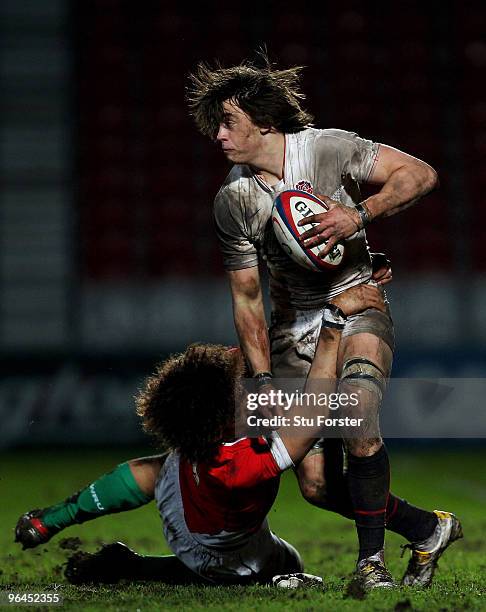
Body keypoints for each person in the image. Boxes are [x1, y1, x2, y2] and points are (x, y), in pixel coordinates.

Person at [187, 55, 461, 587]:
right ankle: (428, 528)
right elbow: (247, 299)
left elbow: (420, 175)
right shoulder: (235, 200)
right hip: (294, 330)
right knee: (313, 484)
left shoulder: (328, 149)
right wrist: (262, 379)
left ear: (264, 122)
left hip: (357, 303)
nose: (219, 135)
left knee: (357, 415)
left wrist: (358, 215)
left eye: (228, 123)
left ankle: (371, 564)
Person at [16, 286, 390, 587]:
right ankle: (139, 570)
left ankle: (55, 517)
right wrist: (333, 320)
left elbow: (241, 357)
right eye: (241, 391)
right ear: (226, 417)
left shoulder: (211, 421)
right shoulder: (238, 464)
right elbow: (313, 411)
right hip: (220, 552)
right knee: (288, 565)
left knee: (160, 470)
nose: (247, 387)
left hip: (185, 492)